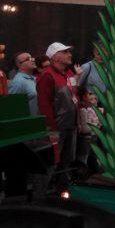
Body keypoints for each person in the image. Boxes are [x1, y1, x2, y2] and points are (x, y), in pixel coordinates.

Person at [36, 42, 79, 191]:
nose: (70, 54)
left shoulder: (69, 73)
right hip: (57, 128)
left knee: (66, 163)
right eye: (65, 52)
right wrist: (51, 130)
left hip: (70, 126)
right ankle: (40, 197)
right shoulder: (47, 75)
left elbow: (74, 97)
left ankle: (62, 193)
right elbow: (44, 106)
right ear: (55, 57)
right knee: (50, 163)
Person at [76, 85, 101, 174]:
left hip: (91, 138)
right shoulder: (83, 110)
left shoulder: (87, 109)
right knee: (84, 158)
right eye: (88, 95)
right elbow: (84, 129)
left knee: (91, 157)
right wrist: (95, 125)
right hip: (86, 139)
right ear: (83, 97)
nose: (90, 97)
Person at [8, 51, 38, 116]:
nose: (33, 60)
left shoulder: (34, 78)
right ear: (19, 65)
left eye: (32, 58)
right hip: (31, 121)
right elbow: (12, 105)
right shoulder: (18, 82)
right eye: (28, 59)